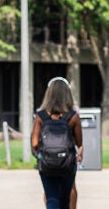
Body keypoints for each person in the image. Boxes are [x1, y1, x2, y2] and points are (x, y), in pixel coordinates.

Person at [31, 76, 82, 209]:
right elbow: (79, 142)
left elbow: (34, 143)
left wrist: (41, 155)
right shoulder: (73, 116)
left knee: (51, 198)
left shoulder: (41, 116)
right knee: (65, 200)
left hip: (47, 164)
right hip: (67, 165)